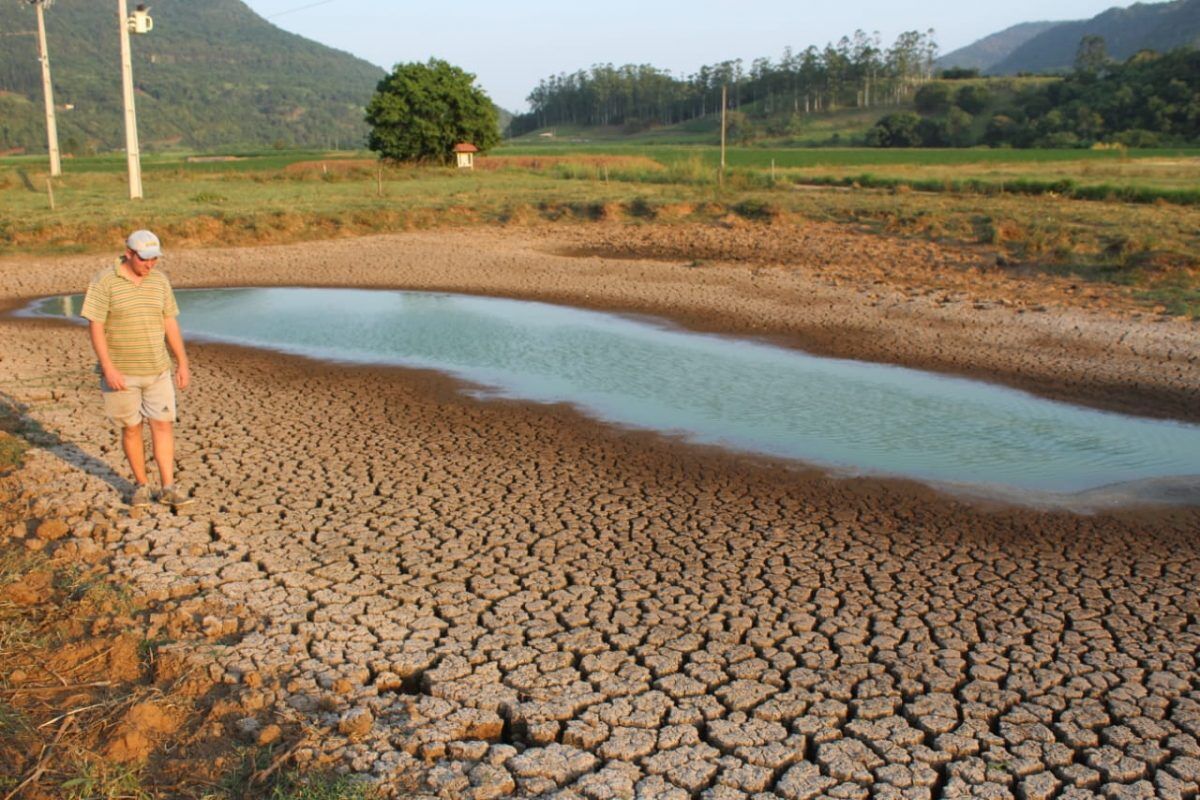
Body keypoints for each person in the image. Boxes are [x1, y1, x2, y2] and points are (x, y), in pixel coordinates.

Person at [81, 230, 193, 508]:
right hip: (121, 373)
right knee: (132, 429)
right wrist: (108, 368)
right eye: (145, 259)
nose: (150, 264)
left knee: (163, 425)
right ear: (129, 253)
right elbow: (95, 325)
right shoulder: (105, 281)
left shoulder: (159, 281)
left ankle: (168, 486)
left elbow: (169, 321)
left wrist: (182, 362)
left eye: (154, 259)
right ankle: (142, 485)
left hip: (157, 370)